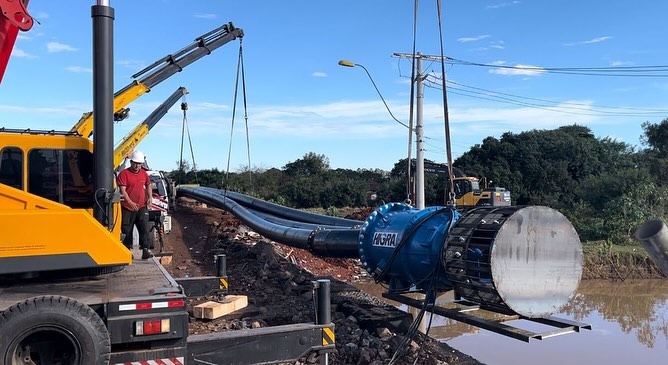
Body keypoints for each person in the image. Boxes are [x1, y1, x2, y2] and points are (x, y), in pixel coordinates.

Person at [117, 150, 153, 259]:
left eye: (139, 164)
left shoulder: (144, 174)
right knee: (127, 230)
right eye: (135, 163)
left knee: (144, 228)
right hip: (127, 207)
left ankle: (145, 250)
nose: (137, 166)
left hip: (141, 206)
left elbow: (148, 185)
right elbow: (123, 190)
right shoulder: (124, 174)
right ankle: (127, 251)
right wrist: (130, 202)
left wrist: (149, 198)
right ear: (131, 162)